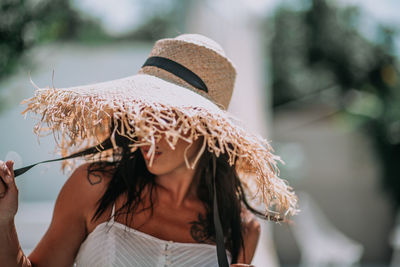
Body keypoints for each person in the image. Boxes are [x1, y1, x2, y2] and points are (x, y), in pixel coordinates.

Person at [0, 34, 298, 267]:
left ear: (208, 129)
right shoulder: (94, 186)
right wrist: (3, 223)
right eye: (144, 114)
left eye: (164, 118)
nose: (147, 131)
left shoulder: (241, 227)